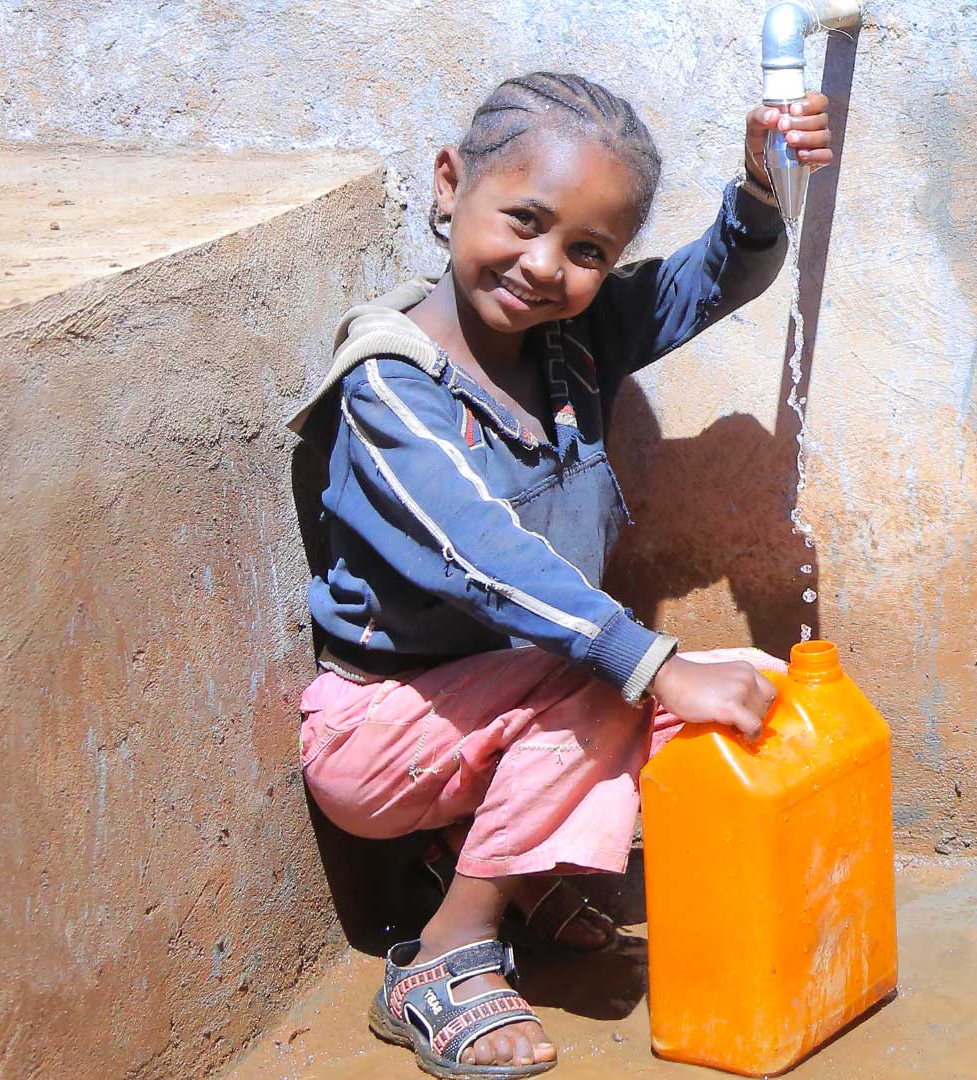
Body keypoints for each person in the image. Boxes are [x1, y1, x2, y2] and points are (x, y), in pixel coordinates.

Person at [284, 70, 835, 1076]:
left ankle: (502, 861)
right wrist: (653, 664)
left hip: (492, 709)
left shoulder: (570, 340)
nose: (546, 267)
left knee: (702, 686)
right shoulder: (393, 389)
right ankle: (445, 952)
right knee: (625, 672)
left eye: (588, 251)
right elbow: (482, 558)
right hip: (379, 734)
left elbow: (713, 281)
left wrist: (761, 188)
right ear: (451, 186)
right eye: (524, 220)